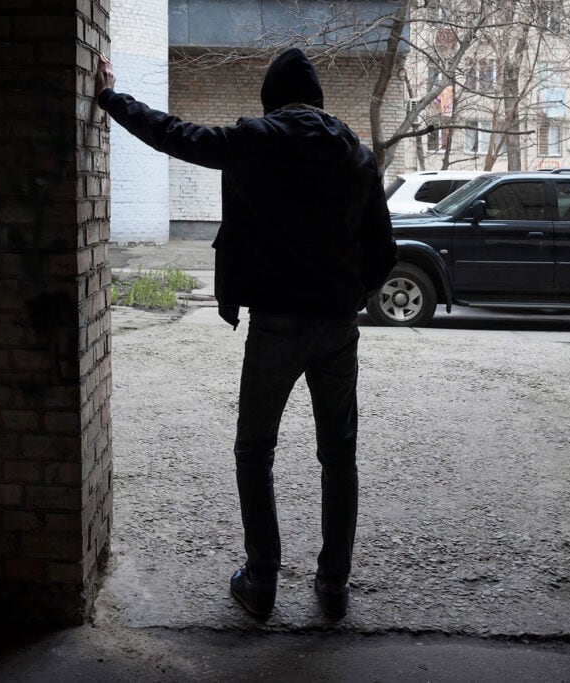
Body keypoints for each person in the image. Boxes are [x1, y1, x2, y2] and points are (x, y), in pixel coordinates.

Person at [94, 48, 396, 619]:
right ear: (318, 100)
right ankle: (333, 587)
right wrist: (350, 296)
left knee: (255, 449)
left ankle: (262, 582)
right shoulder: (355, 154)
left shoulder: (255, 139)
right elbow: (384, 251)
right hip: (336, 324)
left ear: (271, 97)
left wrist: (111, 98)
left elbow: (173, 135)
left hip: (278, 321)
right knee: (340, 456)